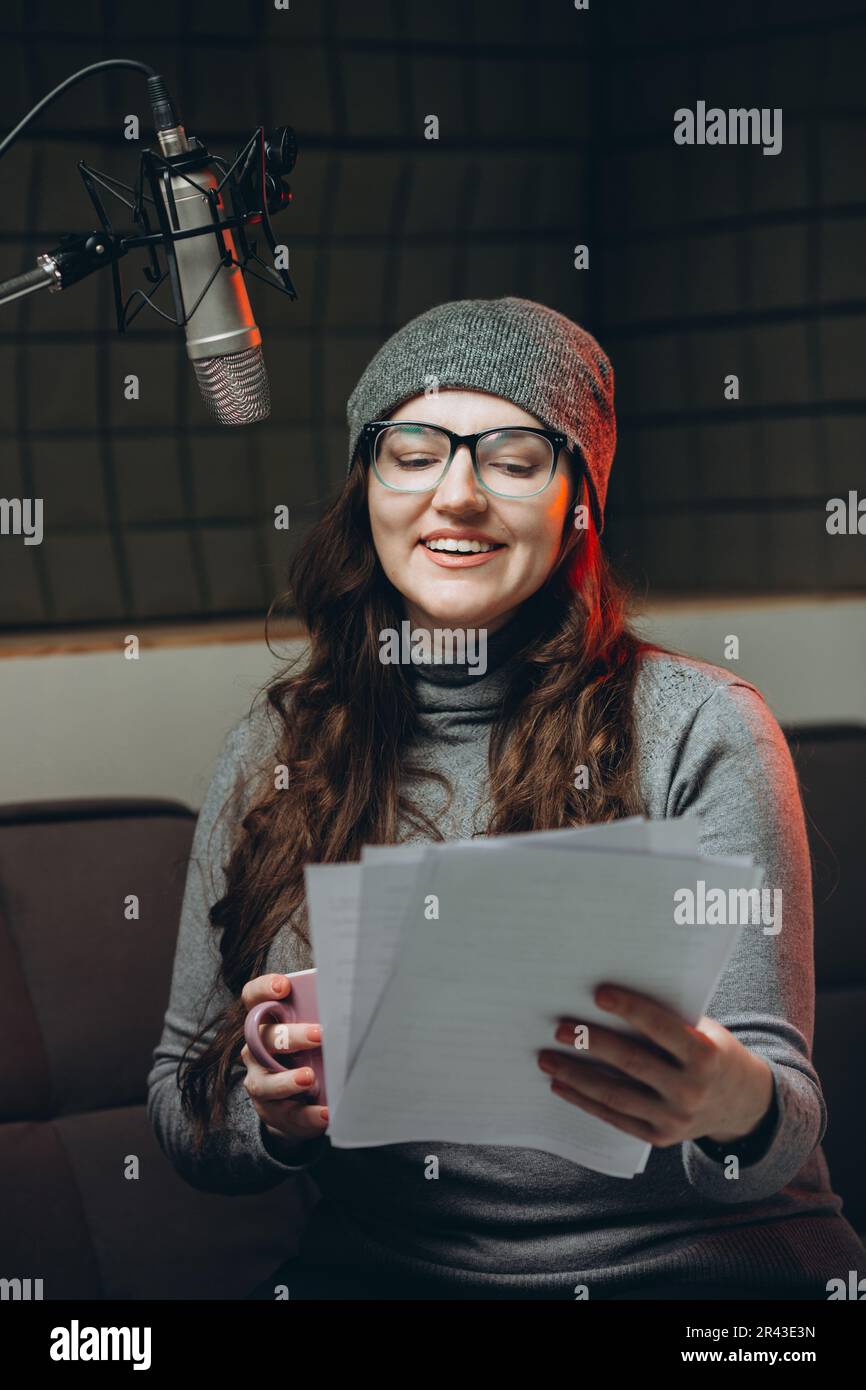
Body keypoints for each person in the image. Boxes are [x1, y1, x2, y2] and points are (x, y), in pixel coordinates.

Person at [147, 296, 866, 1301]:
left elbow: (781, 1125)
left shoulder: (704, 726)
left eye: (513, 459)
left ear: (578, 500)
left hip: (691, 1272)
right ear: (365, 488)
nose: (456, 495)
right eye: (413, 451)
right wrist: (269, 1117)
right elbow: (182, 1105)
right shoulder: (272, 748)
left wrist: (725, 1097)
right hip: (390, 1270)